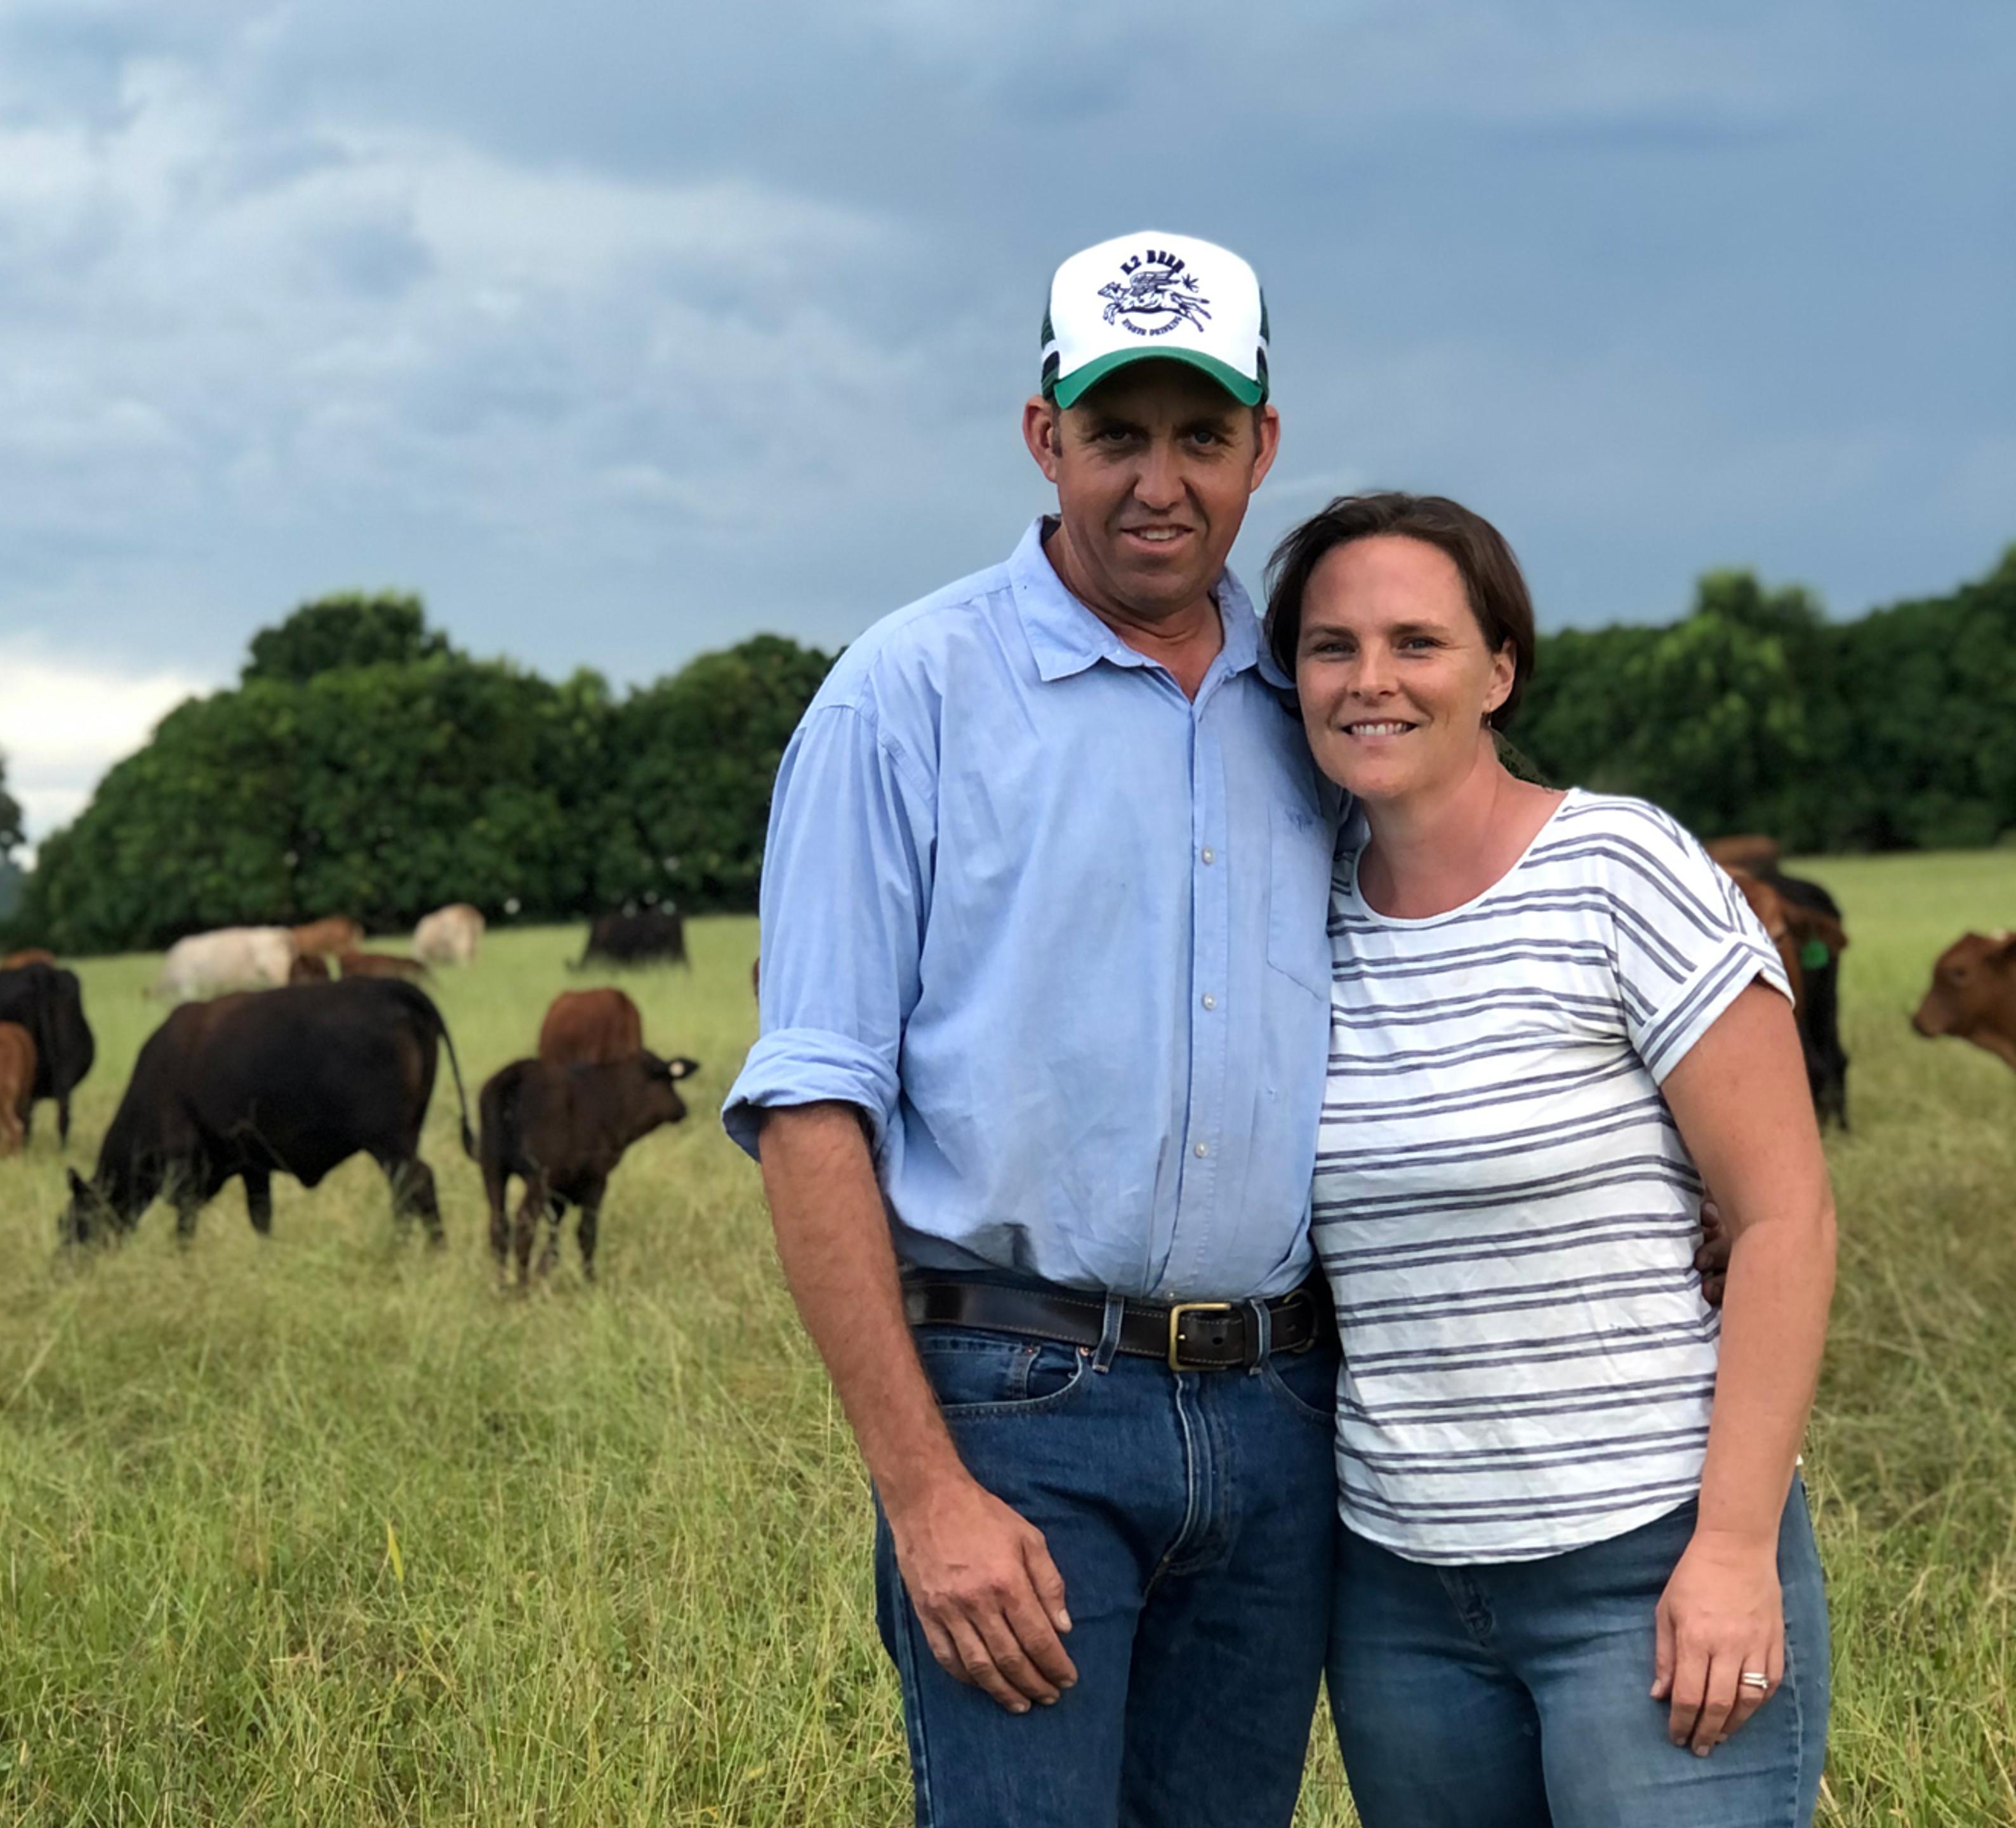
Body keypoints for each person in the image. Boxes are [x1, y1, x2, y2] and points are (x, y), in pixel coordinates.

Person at [724, 231, 1343, 1826]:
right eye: (1115, 434)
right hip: (1020, 1411)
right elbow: (812, 1111)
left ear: (1264, 445)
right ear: (1041, 433)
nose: (1159, 481)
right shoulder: (905, 695)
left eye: (1202, 437)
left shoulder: (1326, 709)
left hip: (1280, 1413)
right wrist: (926, 1492)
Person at [1265, 493, 1834, 1827]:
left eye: (1419, 641)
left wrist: (1736, 1548)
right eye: (1331, 647)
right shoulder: (1296, 913)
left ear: (1500, 668)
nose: (1372, 682)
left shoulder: (1618, 868)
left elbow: (1785, 1220)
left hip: (1646, 1562)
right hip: (1401, 1590)